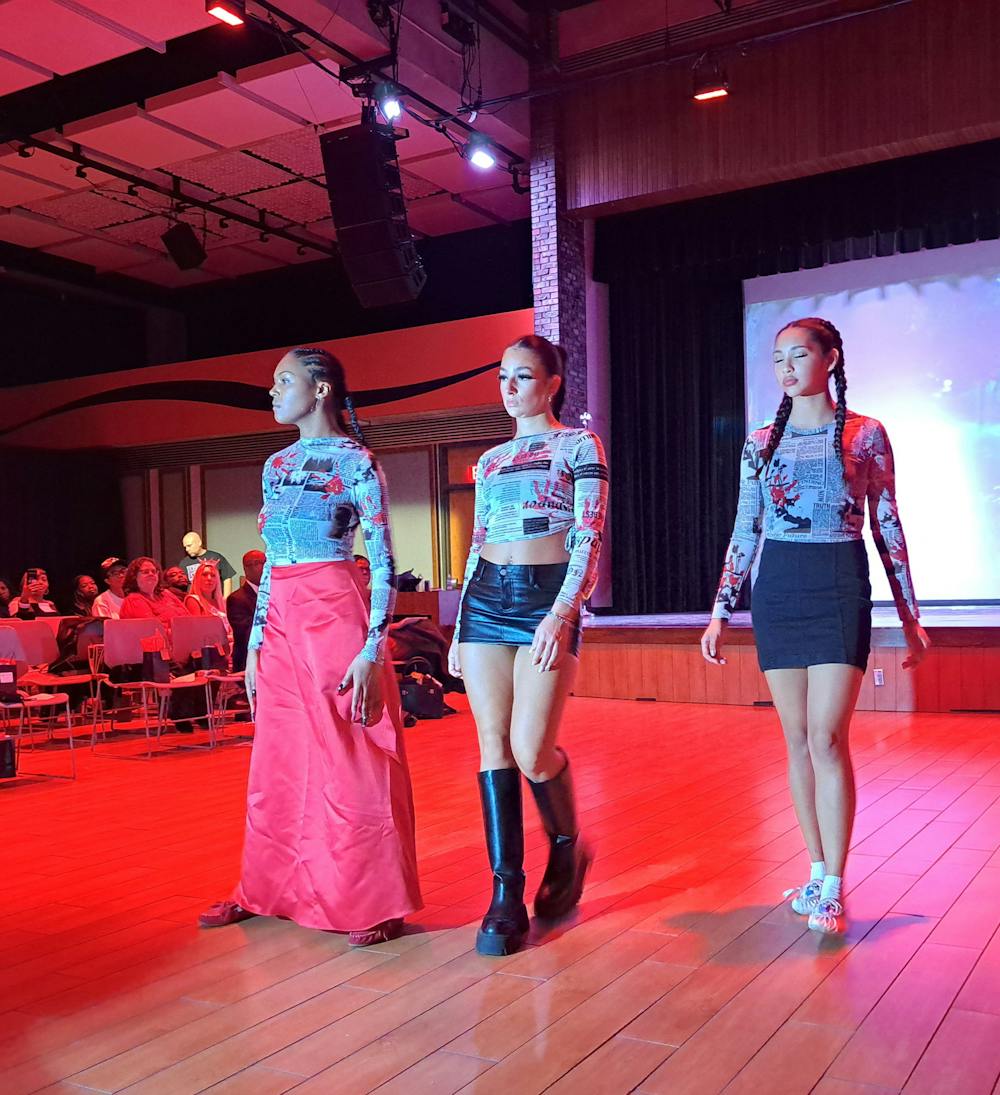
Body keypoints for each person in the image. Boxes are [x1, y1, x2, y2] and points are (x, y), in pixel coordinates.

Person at [701, 317, 930, 936]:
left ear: (830, 358)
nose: (786, 368)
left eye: (798, 355)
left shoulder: (865, 434)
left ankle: (833, 885)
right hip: (778, 590)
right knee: (796, 739)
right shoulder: (758, 442)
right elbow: (746, 526)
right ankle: (814, 869)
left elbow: (888, 525)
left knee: (827, 738)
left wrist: (909, 615)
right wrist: (722, 609)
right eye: (777, 359)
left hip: (838, 584)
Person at [199, 346, 422, 945]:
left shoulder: (356, 461)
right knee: (280, 756)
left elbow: (382, 560)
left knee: (350, 753)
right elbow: (271, 564)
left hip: (333, 610)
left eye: (284, 380)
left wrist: (373, 647)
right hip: (283, 621)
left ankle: (375, 900)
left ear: (320, 390)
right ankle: (268, 887)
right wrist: (253, 645)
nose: (272, 391)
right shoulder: (275, 464)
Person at [448, 334, 609, 956]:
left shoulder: (578, 445)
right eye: (502, 378)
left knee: (531, 748)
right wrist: (461, 625)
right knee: (492, 743)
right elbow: (478, 539)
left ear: (551, 383)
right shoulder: (488, 461)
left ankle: (567, 848)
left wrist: (563, 610)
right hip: (488, 596)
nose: (509, 388)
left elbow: (588, 535)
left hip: (549, 596)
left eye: (522, 377)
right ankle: (505, 894)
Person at [226, 550, 266, 673]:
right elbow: (248, 633)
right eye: (263, 563)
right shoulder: (236, 599)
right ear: (249, 566)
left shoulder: (275, 594)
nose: (268, 567)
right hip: (250, 665)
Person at [119, 558, 188, 624]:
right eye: (145, 572)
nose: (151, 574)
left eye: (154, 571)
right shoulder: (133, 600)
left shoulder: (166, 593)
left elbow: (189, 617)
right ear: (134, 576)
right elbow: (152, 630)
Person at [184, 560, 234, 648]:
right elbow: (198, 633)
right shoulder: (193, 600)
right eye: (204, 575)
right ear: (197, 578)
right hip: (209, 650)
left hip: (229, 646)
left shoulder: (222, 602)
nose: (209, 578)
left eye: (213, 575)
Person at [178, 533, 235, 597]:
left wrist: (226, 600)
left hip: (215, 602)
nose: (187, 549)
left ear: (199, 543)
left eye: (189, 546)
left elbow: (227, 578)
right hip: (194, 603)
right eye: (185, 547)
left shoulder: (216, 557)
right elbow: (181, 586)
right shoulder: (184, 563)